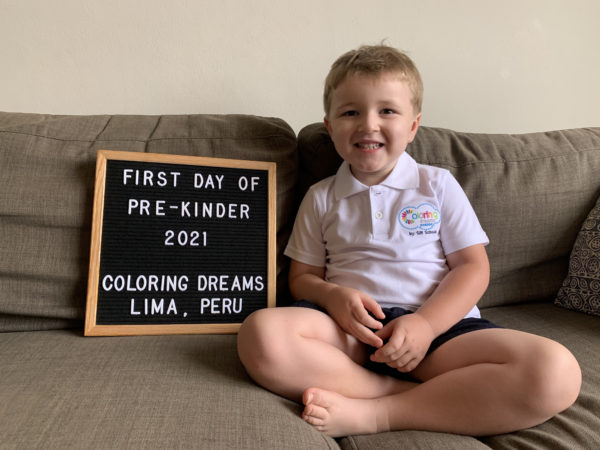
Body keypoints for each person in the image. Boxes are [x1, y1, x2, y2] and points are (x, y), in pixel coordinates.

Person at [237, 44, 581, 438]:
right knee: (260, 334)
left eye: (387, 110)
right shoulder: (321, 197)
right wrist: (333, 297)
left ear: (413, 126)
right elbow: (302, 278)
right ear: (330, 128)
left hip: (439, 336)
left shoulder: (437, 185)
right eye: (350, 112)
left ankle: (381, 413)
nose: (368, 124)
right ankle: (409, 395)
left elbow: (473, 267)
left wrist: (425, 325)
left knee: (556, 371)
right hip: (350, 335)